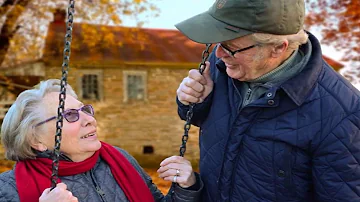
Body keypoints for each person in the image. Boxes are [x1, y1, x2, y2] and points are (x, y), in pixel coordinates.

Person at [175, 0, 360, 201]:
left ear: (278, 48)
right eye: (218, 43)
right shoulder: (224, 63)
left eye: (231, 47)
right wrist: (194, 101)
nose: (219, 54)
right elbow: (203, 119)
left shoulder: (342, 114)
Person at [0, 79, 203, 202]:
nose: (89, 119)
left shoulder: (118, 159)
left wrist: (186, 187)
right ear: (36, 140)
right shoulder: (8, 188)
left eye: (85, 110)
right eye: (70, 115)